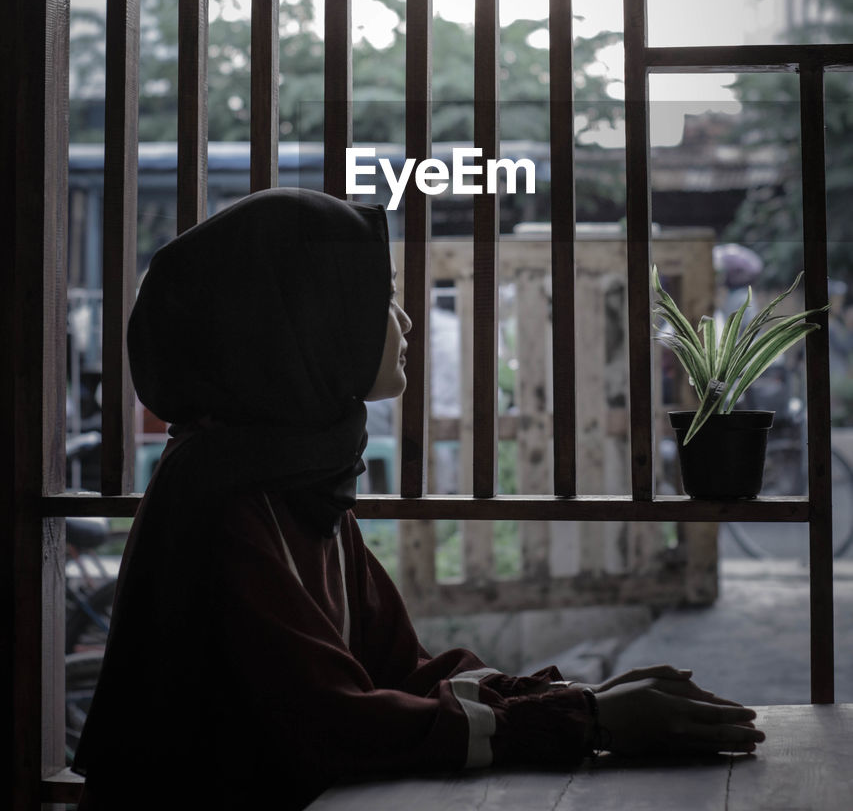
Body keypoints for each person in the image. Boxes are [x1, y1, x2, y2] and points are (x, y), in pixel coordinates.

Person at [73, 189, 763, 809]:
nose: (403, 322)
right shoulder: (222, 497)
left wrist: (573, 701)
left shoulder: (291, 474)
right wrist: (589, 721)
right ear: (309, 322)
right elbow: (330, 721)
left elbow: (397, 668)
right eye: (379, 298)